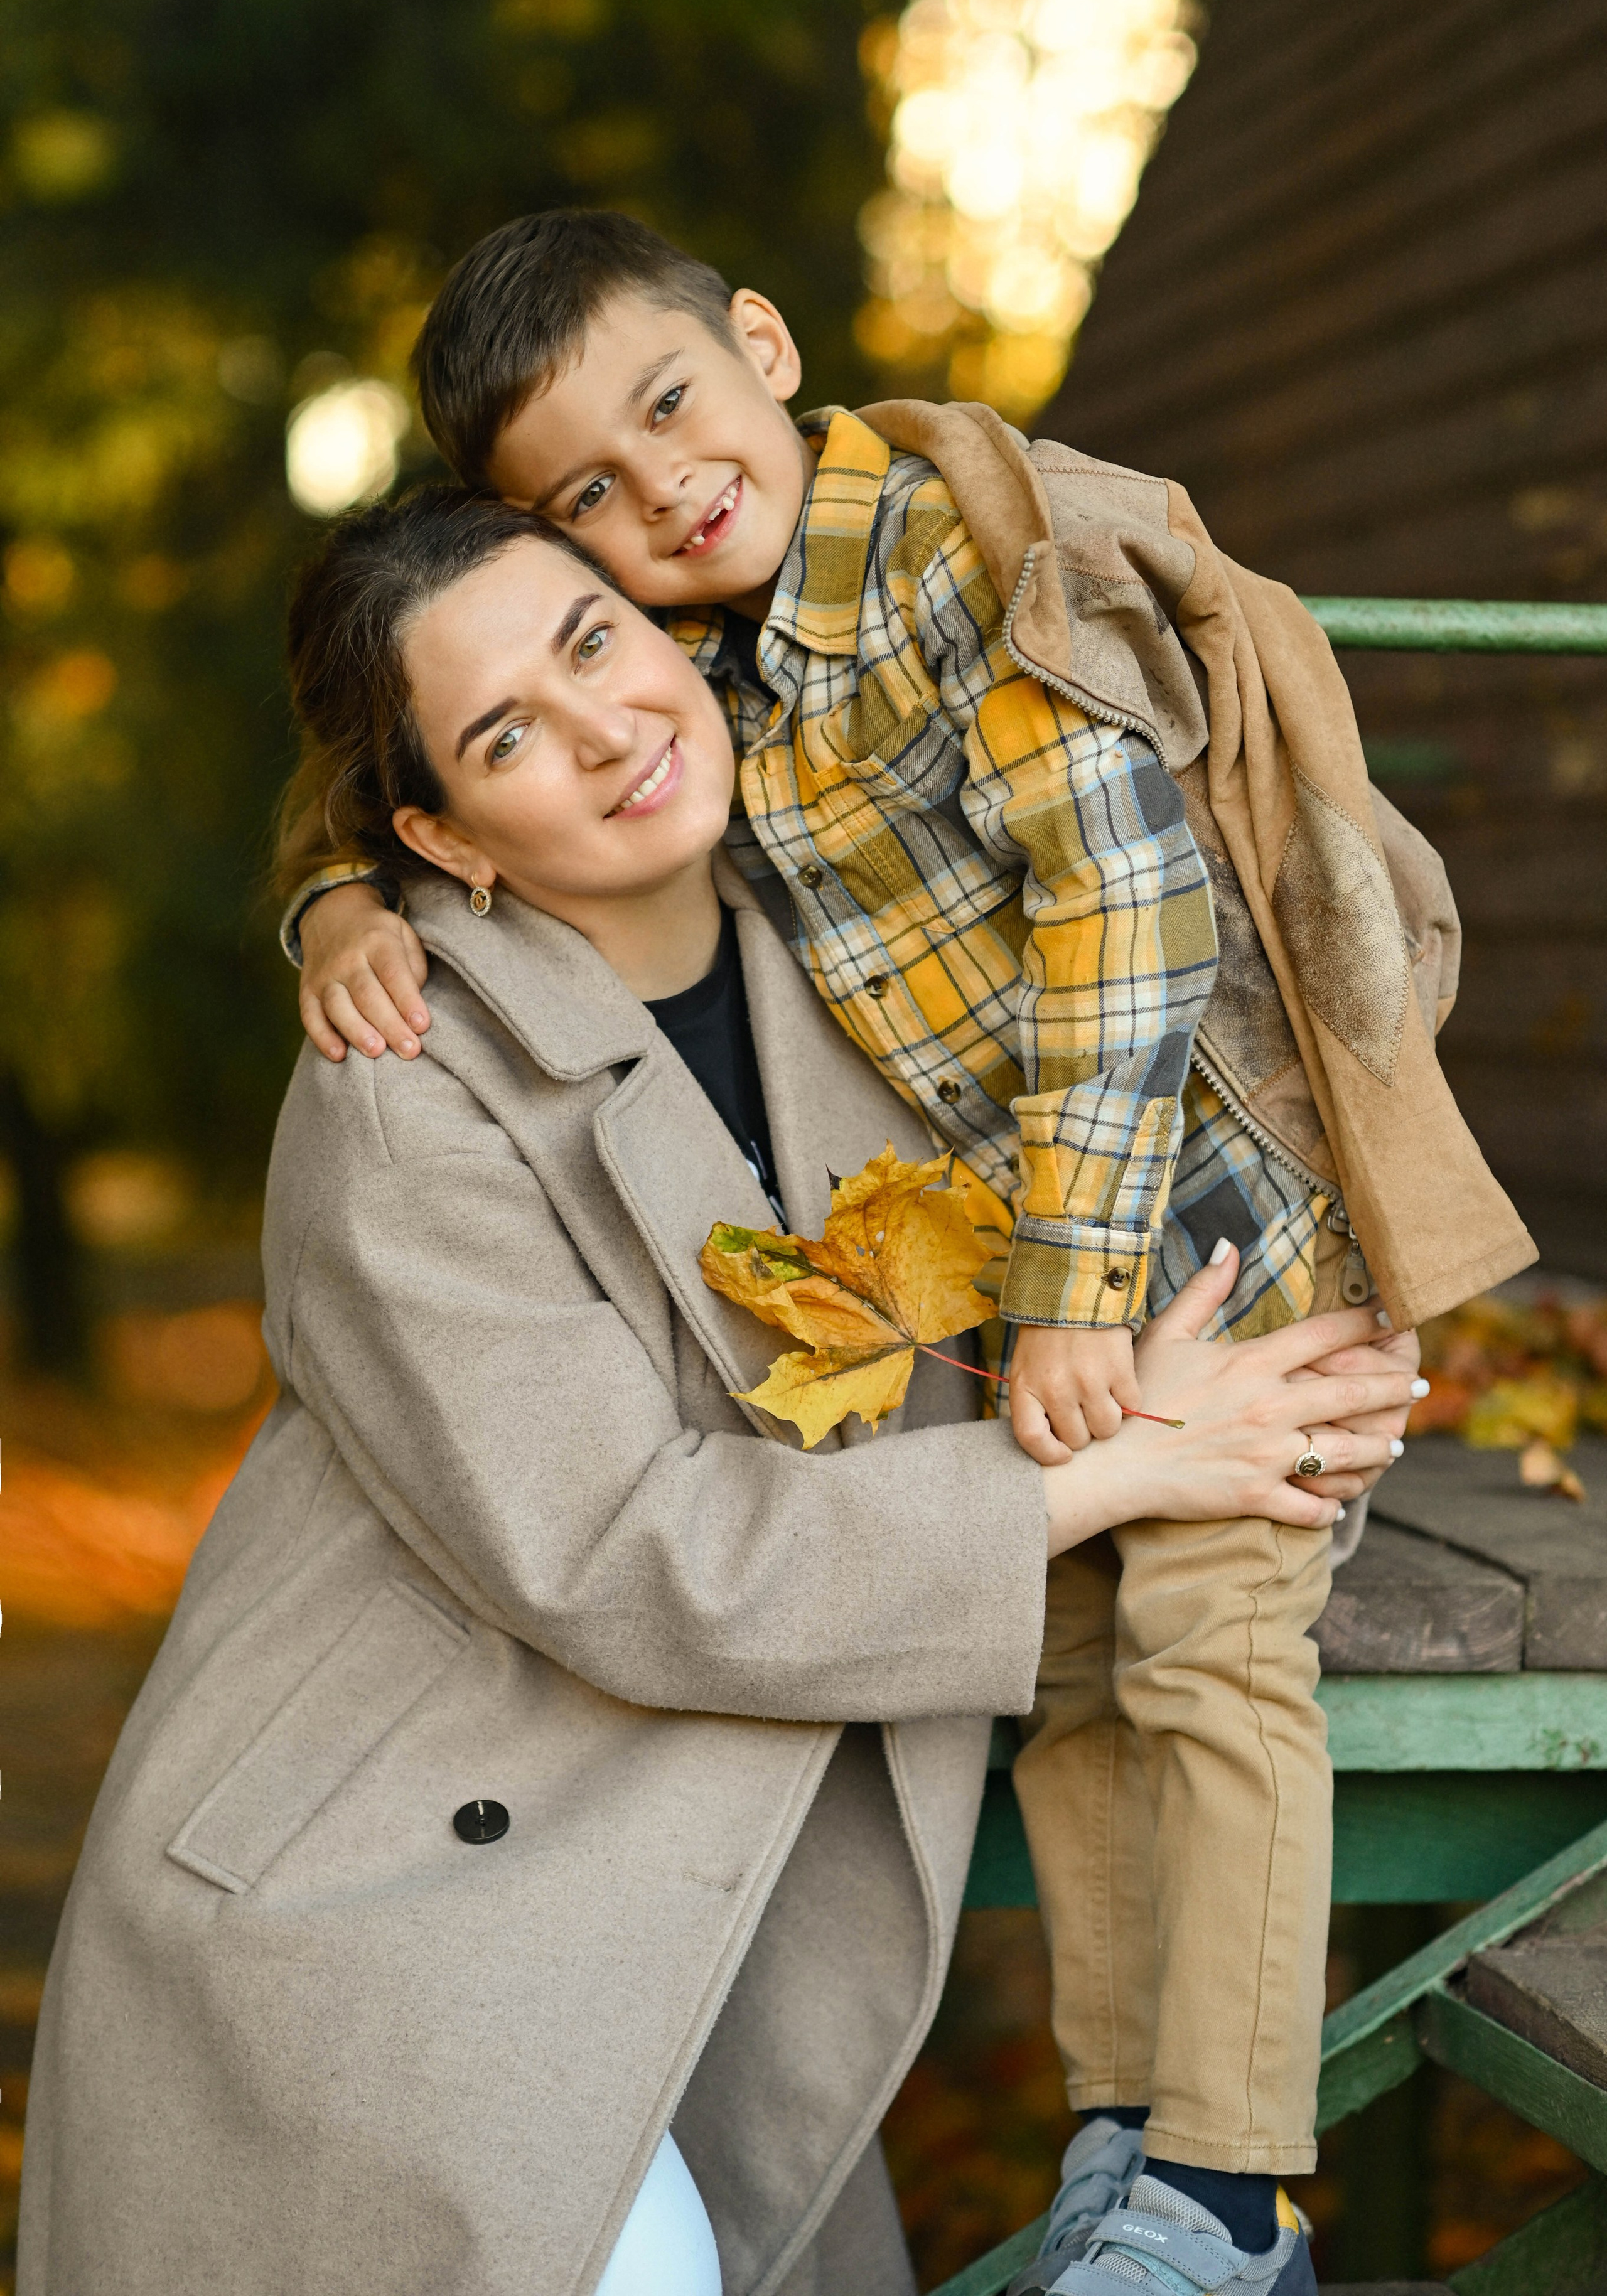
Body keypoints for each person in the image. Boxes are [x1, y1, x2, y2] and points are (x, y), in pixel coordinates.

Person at [274, 212, 1531, 2290]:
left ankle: (1228, 2195)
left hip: (1203, 1215)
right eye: (586, 497)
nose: (659, 490)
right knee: (1088, 1678)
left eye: (671, 408)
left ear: (763, 344)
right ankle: (1135, 2150)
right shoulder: (741, 683)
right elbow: (418, 782)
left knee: (1211, 1643)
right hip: (1053, 1281)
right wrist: (330, 907)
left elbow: (1131, 920)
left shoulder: (963, 559)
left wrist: (1074, 1300)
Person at [18, 491, 1421, 2296]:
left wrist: (1287, 1394)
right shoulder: (402, 1092)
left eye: (594, 643)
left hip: (699, 1906)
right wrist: (1120, 1463)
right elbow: (626, 1551)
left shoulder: (883, 969)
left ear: (678, 642)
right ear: (444, 835)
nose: (603, 733)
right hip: (384, 1915)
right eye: (508, 732)